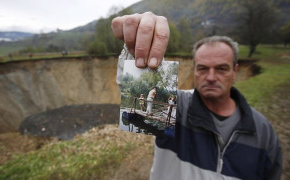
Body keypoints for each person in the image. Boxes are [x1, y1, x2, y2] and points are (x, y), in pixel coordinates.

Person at [112, 12, 282, 179]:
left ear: (235, 71)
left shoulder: (262, 131)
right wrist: (134, 48)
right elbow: (127, 88)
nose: (211, 77)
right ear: (194, 70)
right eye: (202, 68)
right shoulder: (180, 109)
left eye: (221, 69)